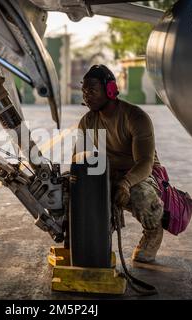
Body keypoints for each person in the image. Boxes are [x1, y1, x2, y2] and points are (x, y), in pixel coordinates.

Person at [77, 64, 164, 263]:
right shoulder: (87, 122)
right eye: (84, 91)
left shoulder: (135, 117)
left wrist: (124, 183)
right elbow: (80, 160)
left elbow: (145, 163)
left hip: (140, 175)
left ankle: (153, 232)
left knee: (141, 194)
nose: (86, 96)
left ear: (110, 90)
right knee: (72, 190)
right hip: (108, 172)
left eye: (92, 91)